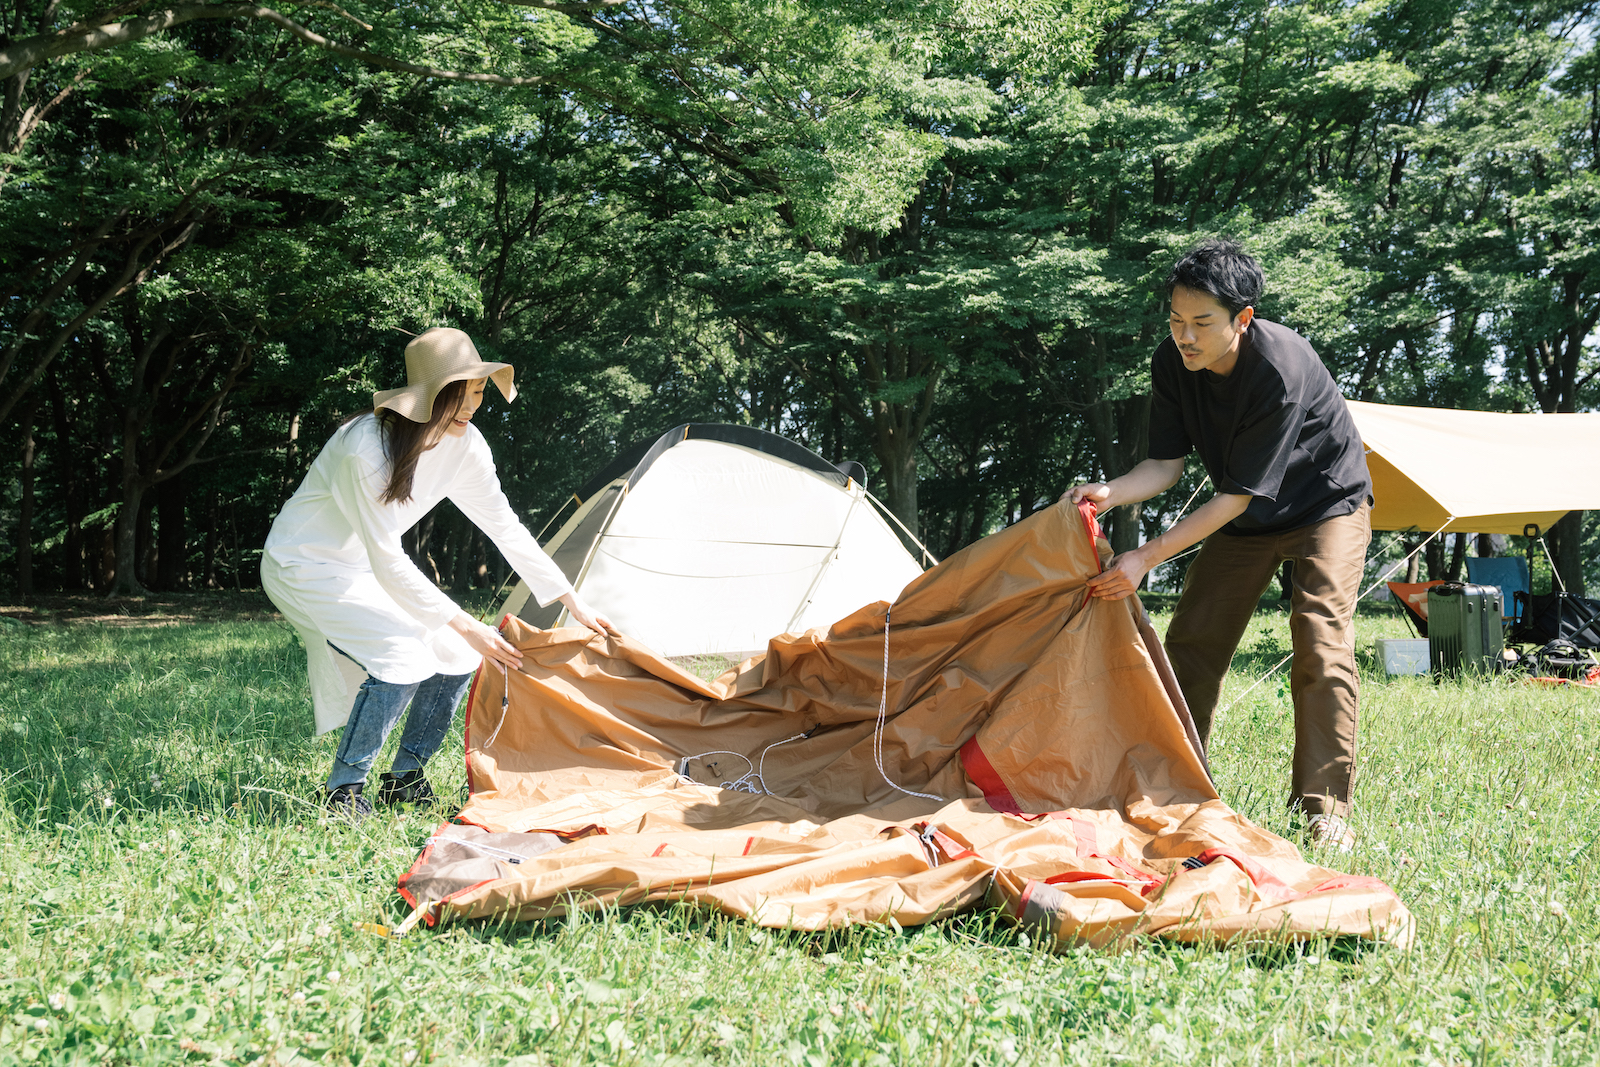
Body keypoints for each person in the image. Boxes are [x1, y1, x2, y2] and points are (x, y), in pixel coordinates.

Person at [1063, 240, 1372, 852]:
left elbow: (1235, 497)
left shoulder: (1281, 366)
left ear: (1243, 318)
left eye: (1202, 322)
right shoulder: (1172, 362)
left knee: (1319, 639)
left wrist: (1146, 557)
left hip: (1325, 506)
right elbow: (1164, 464)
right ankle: (1171, 784)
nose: (1186, 336)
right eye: (1176, 320)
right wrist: (1110, 492)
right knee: (1192, 641)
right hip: (1242, 511)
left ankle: (1324, 808)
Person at [262, 327, 614, 820]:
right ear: (430, 395)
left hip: (362, 565)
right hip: (303, 566)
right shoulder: (364, 446)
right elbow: (388, 559)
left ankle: (404, 778)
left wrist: (571, 599)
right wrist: (470, 625)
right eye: (464, 392)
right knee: (402, 656)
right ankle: (344, 792)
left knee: (456, 653)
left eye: (479, 392)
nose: (474, 405)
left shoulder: (466, 446)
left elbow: (505, 526)